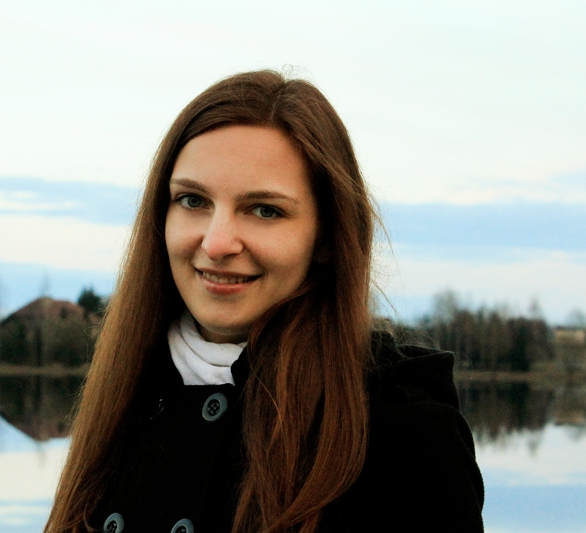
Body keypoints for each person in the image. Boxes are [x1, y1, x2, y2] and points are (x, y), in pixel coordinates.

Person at [44, 70, 484, 533]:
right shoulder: (124, 397)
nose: (216, 243)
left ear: (327, 238)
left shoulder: (403, 431)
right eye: (193, 200)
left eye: (264, 210)